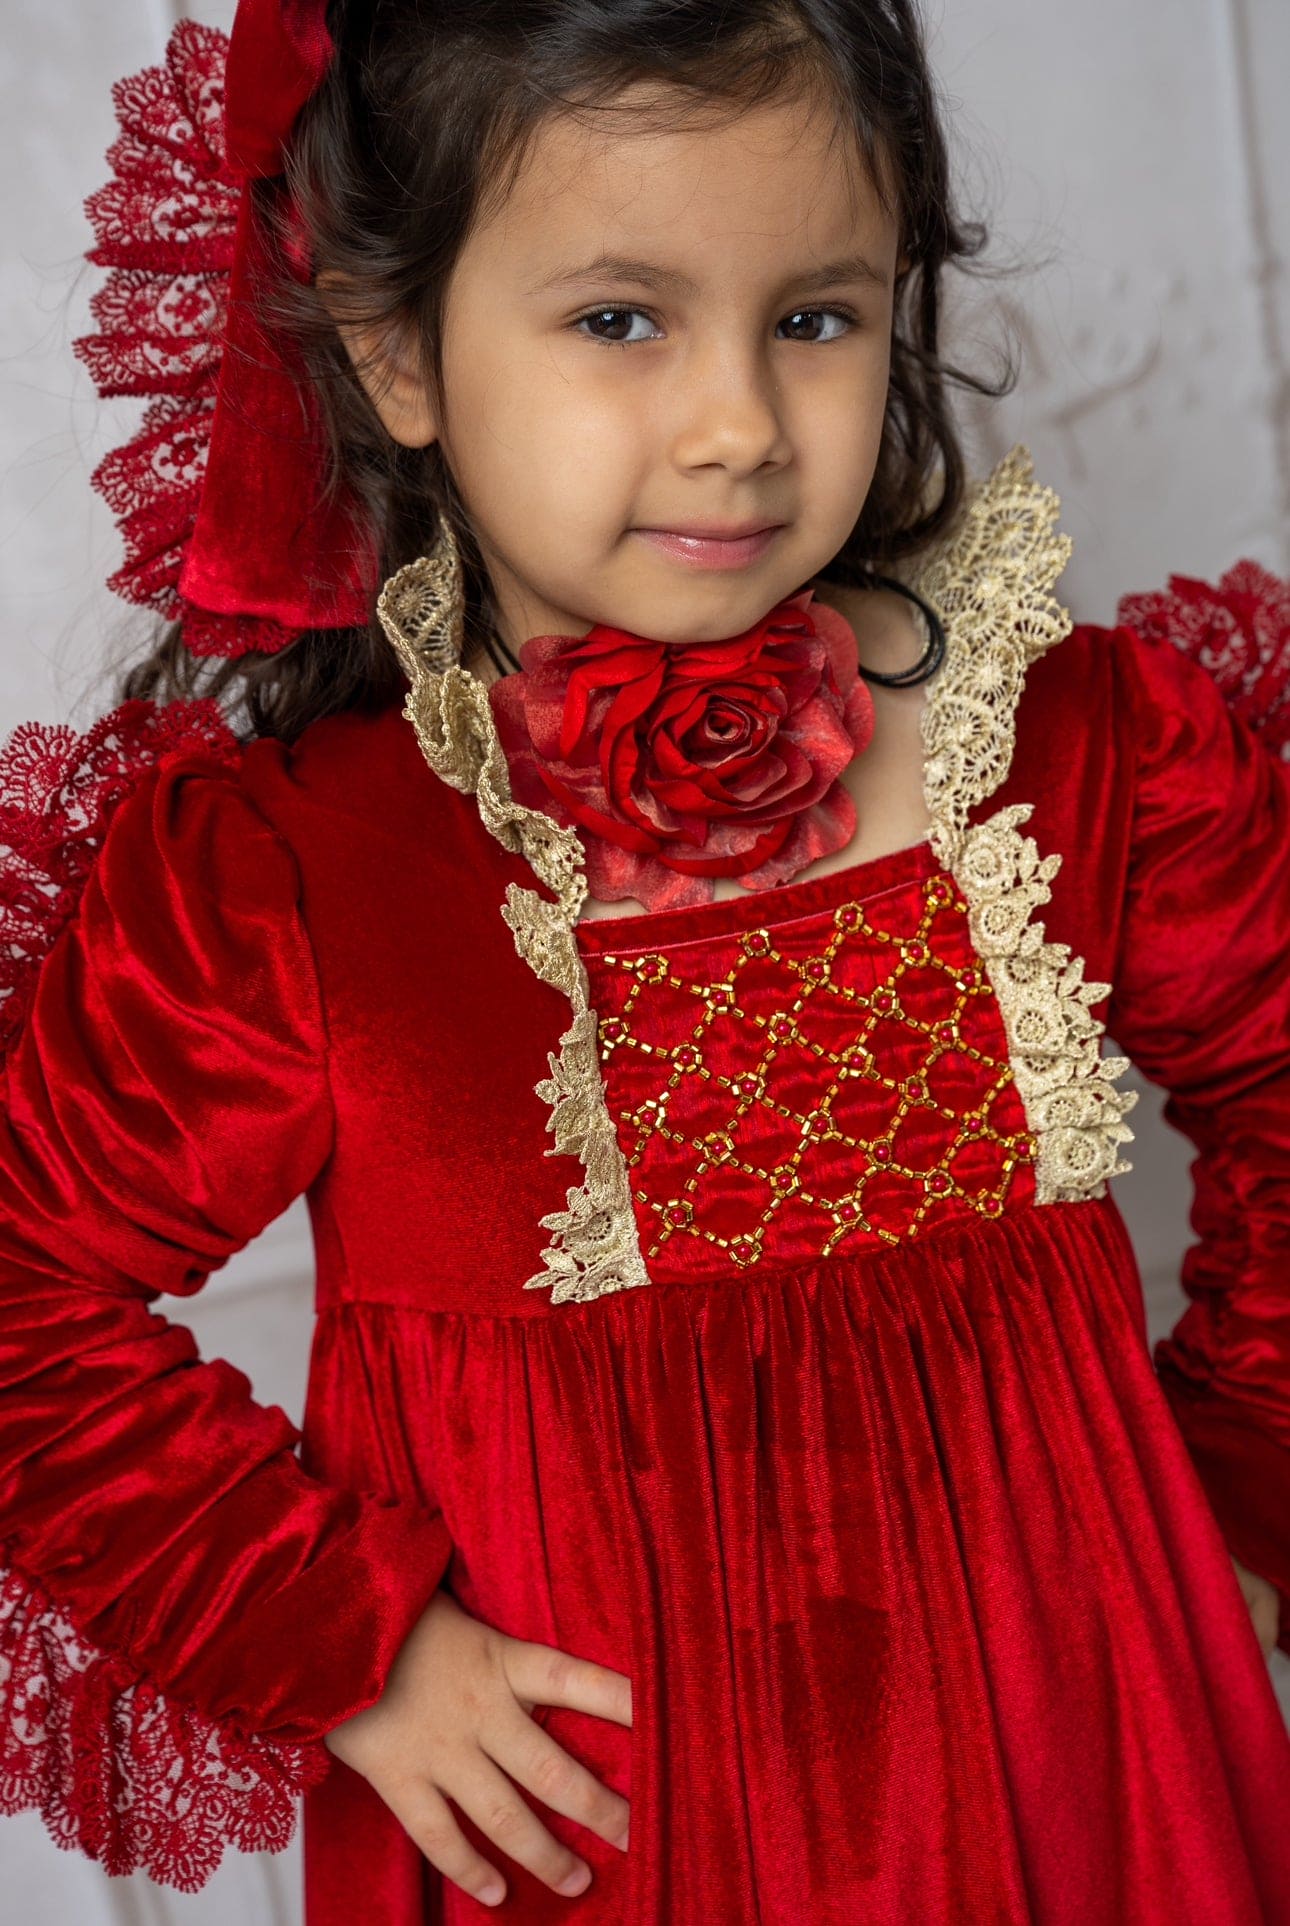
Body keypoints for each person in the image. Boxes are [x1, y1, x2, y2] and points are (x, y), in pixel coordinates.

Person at [1, 0, 1288, 1920]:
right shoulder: (291, 877)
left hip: (1079, 1770)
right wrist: (340, 1641)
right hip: (606, 1834)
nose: (738, 425)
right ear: (393, 349)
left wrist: (1240, 1487)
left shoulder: (1089, 743)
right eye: (620, 318)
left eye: (815, 315)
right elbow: (26, 1299)